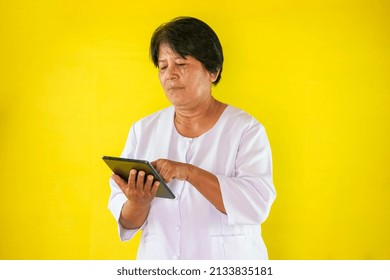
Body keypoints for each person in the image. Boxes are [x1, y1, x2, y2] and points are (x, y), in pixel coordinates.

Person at [108, 16, 276, 260]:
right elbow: (128, 222)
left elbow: (255, 205)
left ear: (213, 71)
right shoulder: (142, 130)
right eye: (163, 66)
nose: (170, 75)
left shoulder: (245, 130)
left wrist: (188, 172)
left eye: (181, 64)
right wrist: (138, 202)